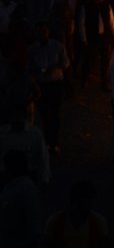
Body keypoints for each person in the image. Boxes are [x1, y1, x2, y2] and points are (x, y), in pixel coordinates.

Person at [1, 149, 42, 248]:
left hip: (18, 245)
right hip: (14, 244)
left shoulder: (22, 188)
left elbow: (32, 218)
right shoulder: (18, 186)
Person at [26, 22, 70, 152]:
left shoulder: (57, 46)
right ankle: (46, 141)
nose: (42, 34)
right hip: (41, 85)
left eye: (44, 31)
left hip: (55, 83)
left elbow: (65, 63)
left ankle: (54, 141)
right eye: (39, 32)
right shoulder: (32, 49)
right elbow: (29, 67)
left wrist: (54, 68)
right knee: (44, 114)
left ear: (48, 32)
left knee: (55, 113)